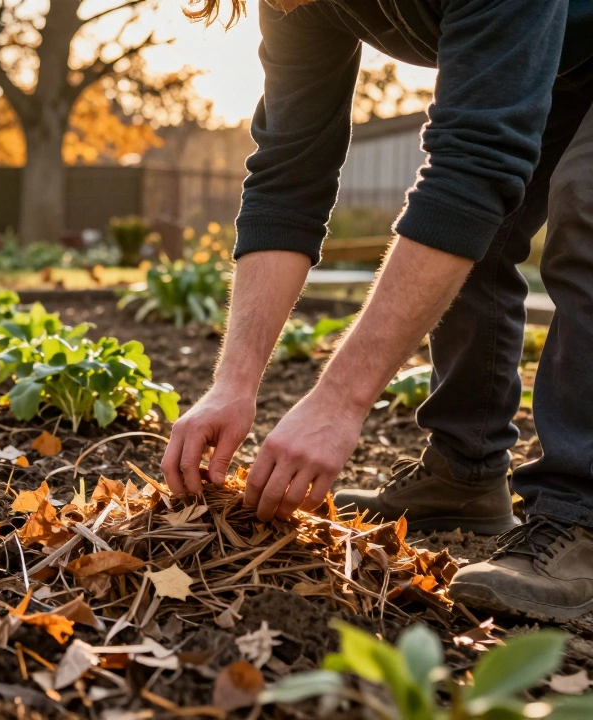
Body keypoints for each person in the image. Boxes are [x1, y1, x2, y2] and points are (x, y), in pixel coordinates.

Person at [163, 0, 593, 621]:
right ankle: (465, 472)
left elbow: (471, 170)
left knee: (585, 211)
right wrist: (232, 383)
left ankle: (581, 514)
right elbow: (288, 177)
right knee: (475, 237)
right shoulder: (294, 3)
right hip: (555, 54)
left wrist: (339, 402)